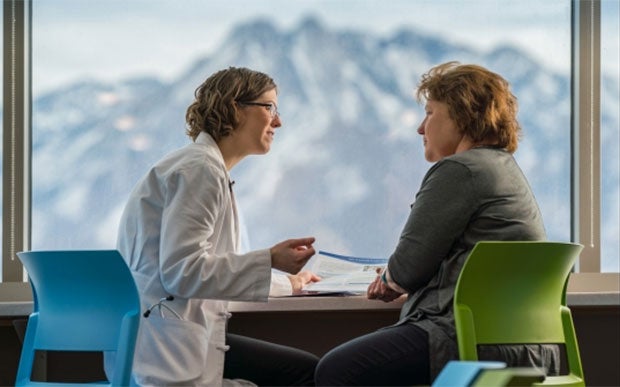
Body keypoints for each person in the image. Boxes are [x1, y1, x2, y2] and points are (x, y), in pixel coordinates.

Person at [314, 61, 557, 386]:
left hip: (468, 340)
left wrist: (390, 279)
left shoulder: (460, 170)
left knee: (336, 370)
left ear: (463, 115)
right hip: (527, 345)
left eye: (430, 113)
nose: (420, 127)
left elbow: (407, 269)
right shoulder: (504, 169)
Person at [105, 67, 321, 386]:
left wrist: (288, 283)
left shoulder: (195, 167)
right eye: (270, 108)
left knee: (303, 368)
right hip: (169, 355)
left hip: (156, 344)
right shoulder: (201, 170)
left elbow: (207, 271)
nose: (278, 121)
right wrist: (270, 260)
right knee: (309, 373)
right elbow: (183, 272)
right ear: (235, 107)